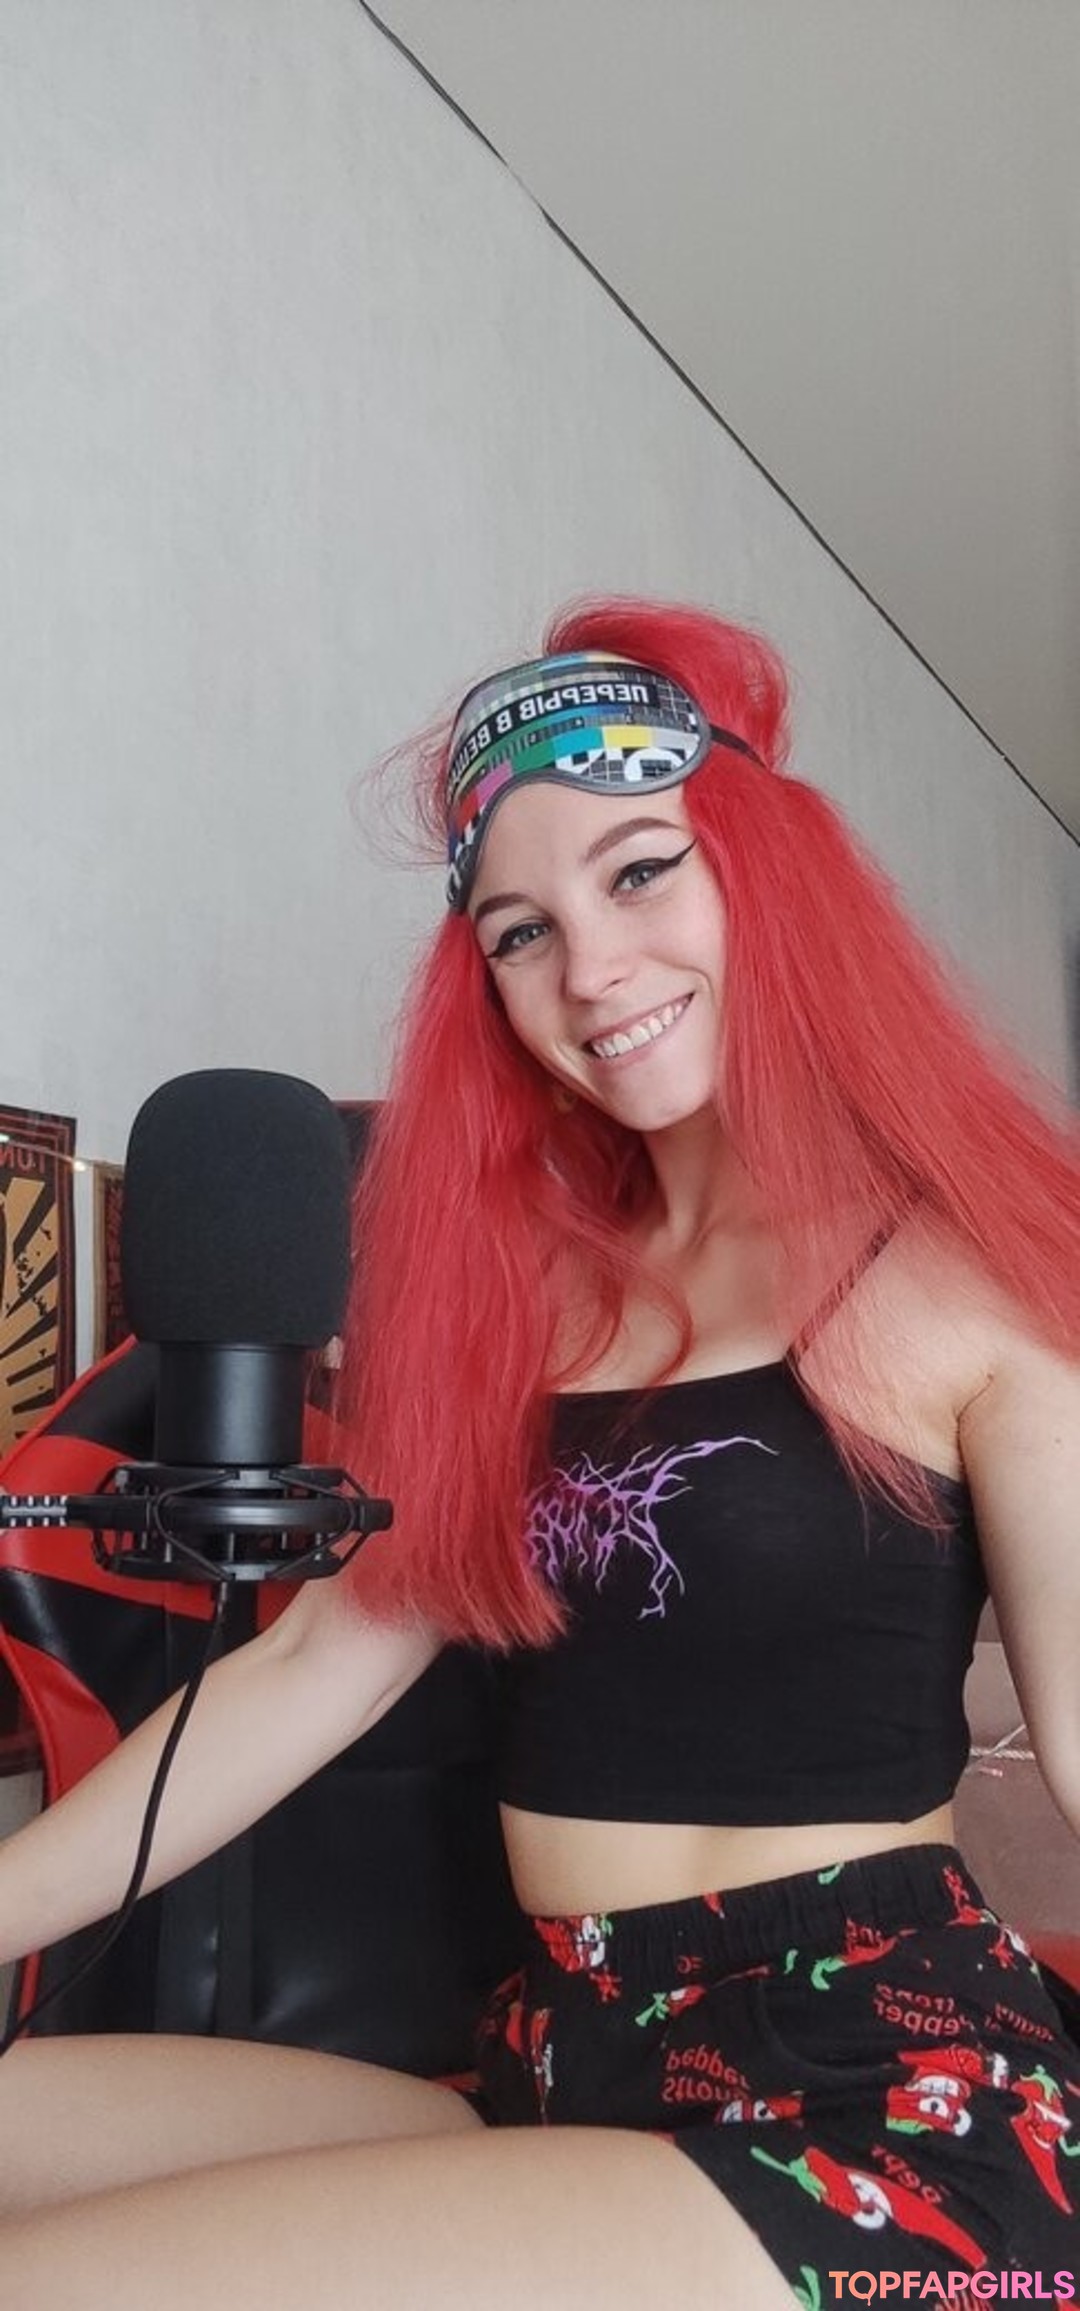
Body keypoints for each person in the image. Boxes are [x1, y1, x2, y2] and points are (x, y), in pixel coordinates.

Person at [0, 598, 1078, 2309]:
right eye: (522, 931)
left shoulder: (967, 1277)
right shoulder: (536, 1302)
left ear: (768, 872)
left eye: (642, 872)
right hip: (563, 2058)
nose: (591, 970)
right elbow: (312, 1674)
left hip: (878, 2107)